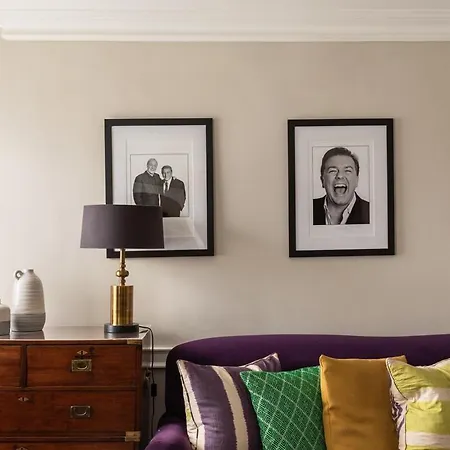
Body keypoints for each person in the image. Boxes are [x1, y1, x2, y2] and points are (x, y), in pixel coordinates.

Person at [313, 147, 370, 225]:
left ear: (357, 179)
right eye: (332, 171)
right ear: (322, 180)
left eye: (347, 171)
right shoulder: (306, 210)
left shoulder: (372, 212)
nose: (340, 176)